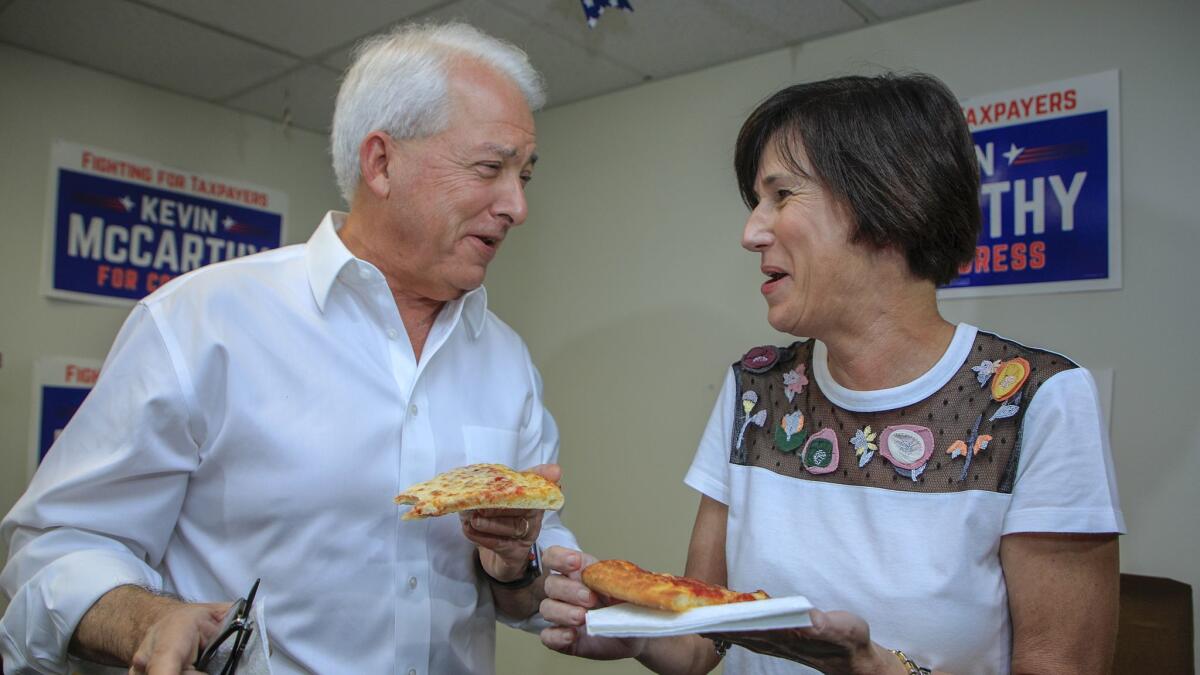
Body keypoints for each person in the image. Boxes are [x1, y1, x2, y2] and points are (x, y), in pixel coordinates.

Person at [1, 22, 577, 674]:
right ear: (381, 162)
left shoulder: (508, 362)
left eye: (524, 173)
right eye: (489, 167)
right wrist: (148, 619)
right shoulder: (201, 321)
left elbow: (534, 576)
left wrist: (515, 564)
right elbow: (57, 547)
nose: (517, 205)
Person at [538, 73, 1123, 674]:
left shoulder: (1033, 400)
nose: (750, 232)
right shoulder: (754, 392)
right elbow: (701, 640)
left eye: (782, 195)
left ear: (890, 198)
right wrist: (632, 630)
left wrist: (882, 670)